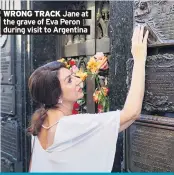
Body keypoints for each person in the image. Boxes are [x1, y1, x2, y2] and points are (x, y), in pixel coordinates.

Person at [28, 25, 149, 172]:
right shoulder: (70, 126)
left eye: (72, 75)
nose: (78, 79)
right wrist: (139, 58)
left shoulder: (40, 125)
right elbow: (132, 113)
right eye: (69, 80)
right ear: (57, 95)